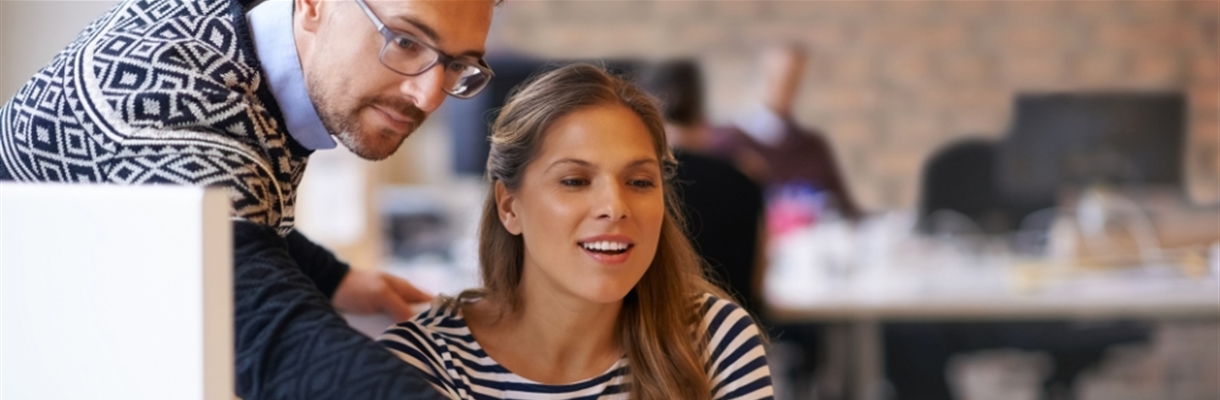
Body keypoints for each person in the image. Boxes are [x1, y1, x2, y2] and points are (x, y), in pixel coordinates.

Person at [0, 0, 495, 398]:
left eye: (459, 65)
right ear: (314, 4)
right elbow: (275, 345)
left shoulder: (224, 36)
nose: (430, 96)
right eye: (405, 41)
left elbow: (217, 211)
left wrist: (333, 278)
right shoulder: (172, 104)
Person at [378, 63, 774, 400]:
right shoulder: (421, 363)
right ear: (508, 206)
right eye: (574, 181)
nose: (615, 207)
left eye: (639, 182)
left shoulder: (714, 341)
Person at [637, 60, 767, 319]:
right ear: (700, 112)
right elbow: (759, 276)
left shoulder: (638, 182)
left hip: (658, 334)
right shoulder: (744, 177)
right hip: (734, 337)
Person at [710, 44, 861, 222]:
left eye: (795, 79)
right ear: (761, 74)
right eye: (780, 77)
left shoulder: (813, 147)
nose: (786, 88)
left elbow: (849, 214)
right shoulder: (725, 145)